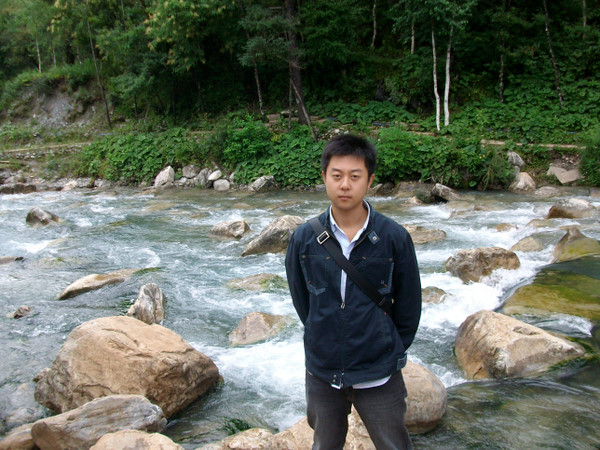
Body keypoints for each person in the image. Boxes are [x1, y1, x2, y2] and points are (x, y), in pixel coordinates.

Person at [285, 134, 422, 449]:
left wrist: (388, 346)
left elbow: (409, 306)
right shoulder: (304, 238)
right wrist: (322, 333)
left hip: (378, 372)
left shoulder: (393, 237)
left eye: (355, 176)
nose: (345, 185)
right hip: (323, 372)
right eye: (337, 176)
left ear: (370, 180)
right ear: (324, 177)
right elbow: (303, 301)